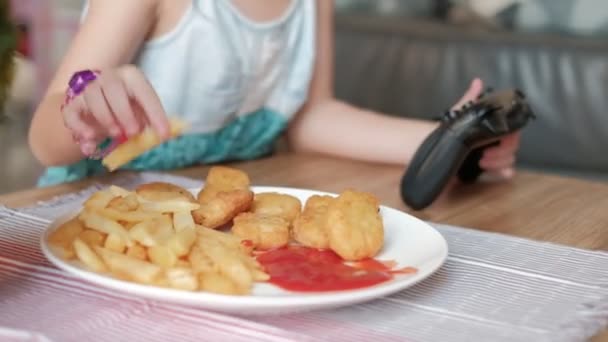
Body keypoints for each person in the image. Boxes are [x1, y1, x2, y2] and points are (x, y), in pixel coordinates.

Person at [28, 0, 520, 187]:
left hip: (216, 220)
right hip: (99, 209)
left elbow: (310, 117)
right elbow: (45, 135)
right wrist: (85, 113)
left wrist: (443, 141)